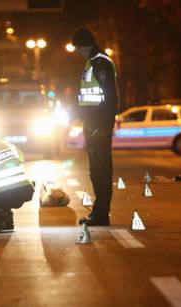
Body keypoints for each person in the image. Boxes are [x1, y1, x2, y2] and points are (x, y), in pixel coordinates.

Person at [71, 27, 119, 226]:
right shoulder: (91, 63)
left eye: (78, 48)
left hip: (99, 124)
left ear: (86, 45)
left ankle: (101, 213)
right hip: (92, 124)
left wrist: (105, 124)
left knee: (101, 169)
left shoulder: (101, 63)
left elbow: (109, 96)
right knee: (95, 169)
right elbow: (87, 96)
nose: (77, 52)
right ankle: (99, 212)